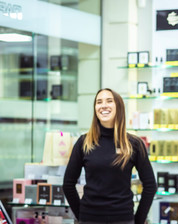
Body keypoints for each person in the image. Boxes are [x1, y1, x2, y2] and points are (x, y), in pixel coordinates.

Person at [63, 88, 157, 224]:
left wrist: (138, 220)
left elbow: (150, 185)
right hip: (89, 219)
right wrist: (82, 216)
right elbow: (68, 184)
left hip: (123, 219)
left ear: (118, 106)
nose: (103, 105)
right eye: (99, 102)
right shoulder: (84, 142)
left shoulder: (133, 144)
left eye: (109, 101)